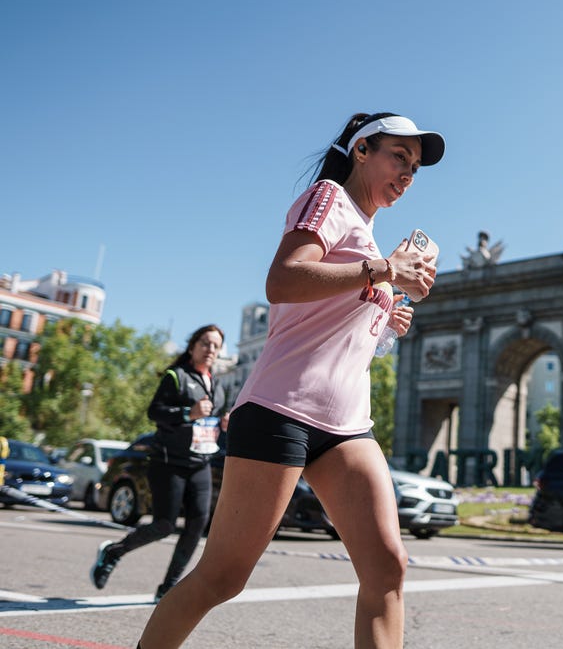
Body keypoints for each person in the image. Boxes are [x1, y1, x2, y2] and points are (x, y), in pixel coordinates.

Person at [135, 112, 444, 649]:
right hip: (281, 412)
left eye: (415, 168)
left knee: (388, 567)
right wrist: (383, 272)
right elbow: (283, 280)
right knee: (222, 578)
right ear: (362, 150)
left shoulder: (371, 239)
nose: (407, 174)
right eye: (400, 156)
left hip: (347, 425)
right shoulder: (329, 198)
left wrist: (386, 323)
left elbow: (331, 333)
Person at [90, 325, 228, 602]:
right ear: (192, 346)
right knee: (164, 525)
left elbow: (213, 420)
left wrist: (225, 423)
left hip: (200, 463)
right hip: (168, 462)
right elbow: (155, 412)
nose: (210, 349)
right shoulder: (176, 377)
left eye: (216, 345)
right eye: (205, 343)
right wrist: (187, 413)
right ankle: (114, 552)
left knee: (198, 523)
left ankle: (169, 587)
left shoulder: (218, 386)